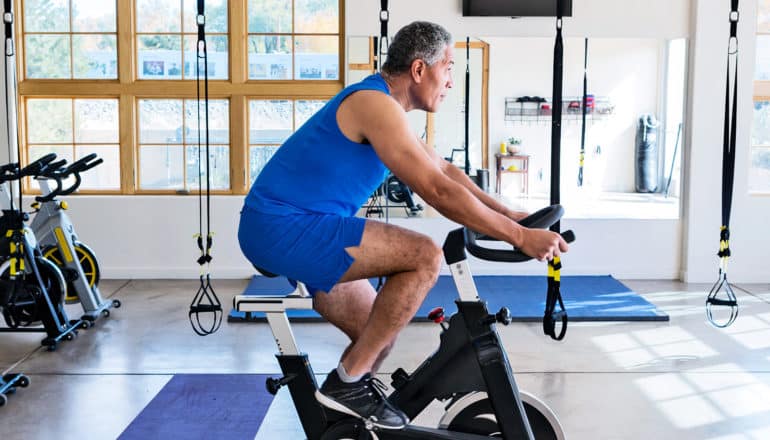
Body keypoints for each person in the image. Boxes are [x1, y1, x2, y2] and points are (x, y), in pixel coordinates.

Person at [238, 21, 569, 430]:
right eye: (447, 67)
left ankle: (338, 423)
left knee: (376, 332)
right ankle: (344, 388)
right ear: (418, 70)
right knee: (424, 256)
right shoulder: (373, 105)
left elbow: (444, 169)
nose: (449, 81)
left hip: (301, 226)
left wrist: (511, 217)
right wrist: (519, 238)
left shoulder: (386, 108)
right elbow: (435, 190)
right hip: (282, 227)